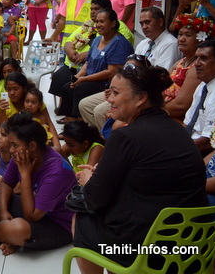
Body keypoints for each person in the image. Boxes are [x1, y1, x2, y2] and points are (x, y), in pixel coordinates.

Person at [72, 62, 206, 273]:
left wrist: (88, 177)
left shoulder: (125, 136)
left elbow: (95, 199)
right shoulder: (179, 130)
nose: (110, 99)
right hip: (191, 245)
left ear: (141, 98)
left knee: (82, 217)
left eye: (115, 93)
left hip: (147, 250)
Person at [79, 6, 180, 127]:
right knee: (84, 105)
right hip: (128, 88)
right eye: (141, 23)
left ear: (160, 22)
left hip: (144, 94)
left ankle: (115, 141)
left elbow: (159, 79)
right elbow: (128, 70)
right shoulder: (144, 43)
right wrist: (115, 90)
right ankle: (104, 138)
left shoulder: (170, 44)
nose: (144, 27)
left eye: (147, 22)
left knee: (99, 111)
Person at [0, 113, 76, 255]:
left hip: (57, 224)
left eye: (14, 145)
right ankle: (1, 231)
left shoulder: (57, 171)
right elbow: (6, 183)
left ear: (31, 146)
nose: (11, 149)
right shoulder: (22, 154)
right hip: (33, 206)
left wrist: (25, 175)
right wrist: (3, 211)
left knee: (17, 230)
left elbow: (32, 215)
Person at [57, 9, 133, 122]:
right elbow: (88, 62)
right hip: (89, 78)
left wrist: (83, 79)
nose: (98, 25)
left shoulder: (119, 43)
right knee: (67, 87)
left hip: (106, 83)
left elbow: (111, 72)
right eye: (97, 22)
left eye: (102, 21)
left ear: (112, 23)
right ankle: (70, 125)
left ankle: (81, 127)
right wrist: (78, 76)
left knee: (80, 89)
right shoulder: (97, 39)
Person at [183, 40, 215, 156]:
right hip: (189, 144)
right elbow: (187, 124)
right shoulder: (203, 85)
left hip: (200, 153)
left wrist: (177, 151)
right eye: (196, 58)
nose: (197, 64)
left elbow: (208, 141)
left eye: (204, 58)